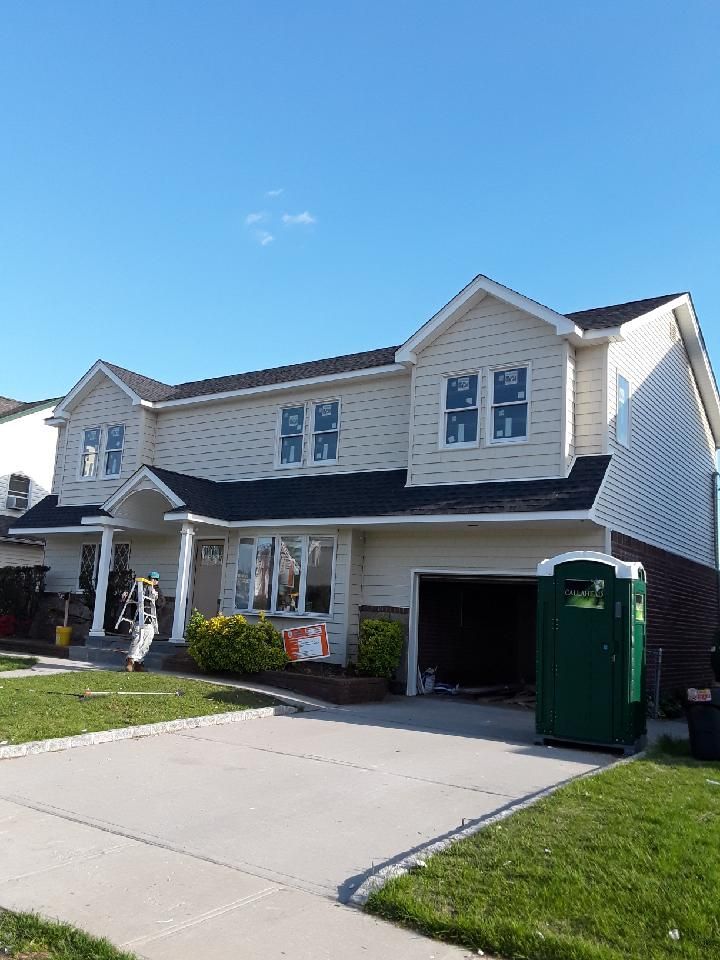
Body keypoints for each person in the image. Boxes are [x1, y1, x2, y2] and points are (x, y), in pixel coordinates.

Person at [125, 572, 164, 672]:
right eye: (152, 578)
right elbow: (132, 597)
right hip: (139, 620)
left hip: (150, 621)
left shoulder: (158, 590)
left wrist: (156, 598)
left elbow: (161, 603)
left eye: (156, 579)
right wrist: (125, 595)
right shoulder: (141, 588)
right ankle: (130, 660)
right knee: (138, 639)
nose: (154, 581)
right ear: (149, 579)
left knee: (147, 642)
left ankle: (139, 662)